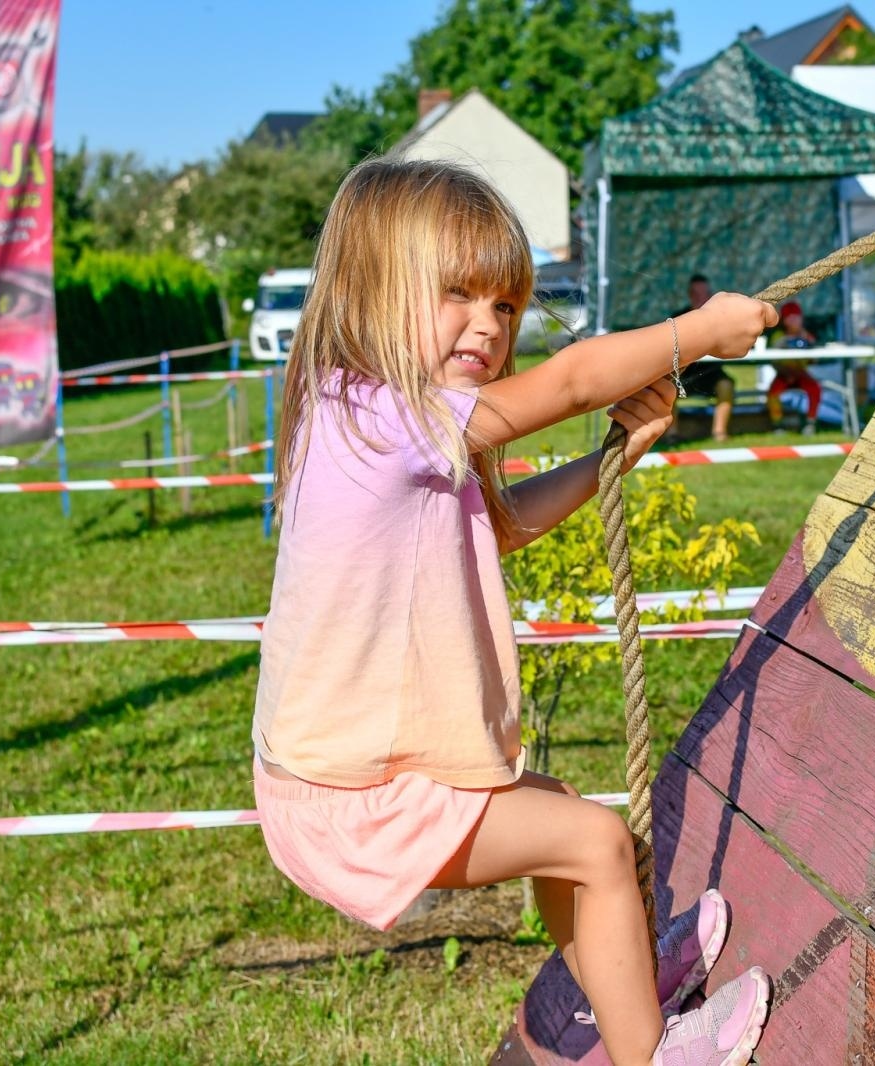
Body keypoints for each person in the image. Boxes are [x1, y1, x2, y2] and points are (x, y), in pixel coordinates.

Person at [253, 159, 778, 1066]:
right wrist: (697, 332)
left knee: (562, 813)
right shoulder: (380, 419)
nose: (489, 326)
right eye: (457, 293)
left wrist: (613, 457)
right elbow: (571, 381)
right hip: (351, 802)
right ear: (371, 289)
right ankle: (651, 1053)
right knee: (597, 843)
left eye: (504, 305)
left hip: (342, 779)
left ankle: (619, 978)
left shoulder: (366, 418)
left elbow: (496, 525)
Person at [674, 274, 737, 441]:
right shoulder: (678, 318)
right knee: (667, 387)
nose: (700, 298)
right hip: (685, 373)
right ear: (690, 295)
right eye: (696, 294)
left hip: (710, 373)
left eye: (704, 294)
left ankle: (719, 432)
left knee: (726, 385)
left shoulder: (720, 319)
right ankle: (672, 433)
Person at [765, 301, 822, 435]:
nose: (794, 321)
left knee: (815, 389)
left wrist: (807, 341)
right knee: (773, 393)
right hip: (784, 374)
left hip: (801, 374)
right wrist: (786, 372)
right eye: (790, 318)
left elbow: (814, 358)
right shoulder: (779, 337)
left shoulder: (806, 336)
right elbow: (773, 359)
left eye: (797, 317)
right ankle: (777, 424)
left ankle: (810, 422)